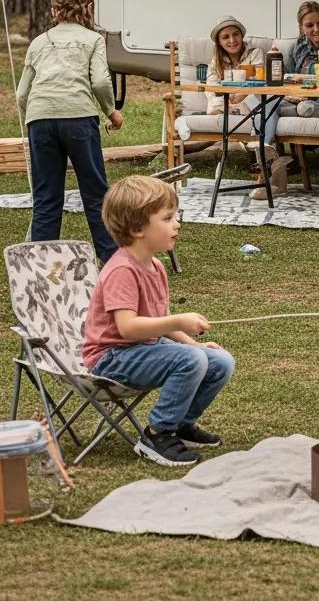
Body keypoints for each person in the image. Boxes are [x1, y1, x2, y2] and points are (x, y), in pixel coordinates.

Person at [82, 175, 234, 467]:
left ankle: (181, 424)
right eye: (167, 218)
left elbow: (159, 319)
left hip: (143, 350)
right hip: (112, 357)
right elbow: (127, 328)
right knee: (190, 361)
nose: (177, 223)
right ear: (137, 228)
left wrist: (194, 342)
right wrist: (179, 322)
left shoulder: (156, 267)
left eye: (175, 216)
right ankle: (157, 434)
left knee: (219, 361)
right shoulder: (121, 270)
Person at [15, 0, 123, 263]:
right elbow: (100, 81)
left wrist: (36, 117)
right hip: (78, 119)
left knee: (46, 197)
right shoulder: (93, 40)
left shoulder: (39, 42)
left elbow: (21, 93)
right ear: (89, 8)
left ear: (53, 11)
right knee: (96, 192)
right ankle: (111, 261)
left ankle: (40, 266)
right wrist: (111, 111)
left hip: (40, 120)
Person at [205, 15, 288, 200]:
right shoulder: (216, 62)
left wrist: (243, 93)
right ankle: (269, 163)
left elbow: (259, 82)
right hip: (236, 106)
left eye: (235, 35)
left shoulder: (255, 53)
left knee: (267, 102)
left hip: (257, 102)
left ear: (242, 36)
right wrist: (234, 99)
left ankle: (265, 155)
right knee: (268, 106)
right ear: (219, 41)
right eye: (225, 37)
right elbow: (211, 91)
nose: (232, 40)